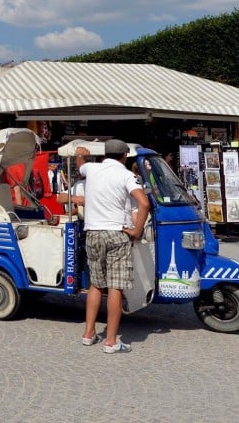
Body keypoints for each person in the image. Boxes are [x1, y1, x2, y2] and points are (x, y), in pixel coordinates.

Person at [81, 139, 150, 354]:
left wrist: (80, 154)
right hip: (116, 233)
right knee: (115, 288)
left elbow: (80, 163)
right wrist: (137, 231)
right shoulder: (125, 175)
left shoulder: (91, 169)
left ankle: (89, 334)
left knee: (95, 284)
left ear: (104, 154)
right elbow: (144, 203)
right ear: (124, 156)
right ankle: (111, 342)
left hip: (93, 233)